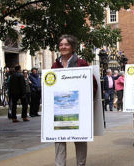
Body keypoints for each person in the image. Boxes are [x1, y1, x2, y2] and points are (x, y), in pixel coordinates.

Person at [52, 34, 97, 166]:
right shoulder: (55, 65)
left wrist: (86, 100)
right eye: (61, 45)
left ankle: (81, 164)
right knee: (59, 138)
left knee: (80, 137)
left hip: (78, 107)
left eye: (66, 44)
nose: (63, 47)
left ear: (72, 47)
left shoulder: (81, 63)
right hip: (60, 108)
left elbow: (93, 84)